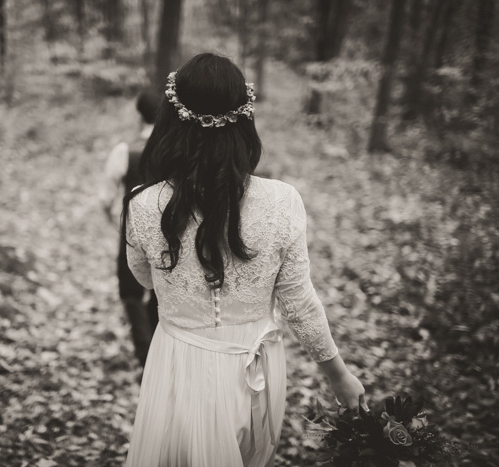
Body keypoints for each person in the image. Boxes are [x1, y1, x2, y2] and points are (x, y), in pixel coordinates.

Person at [121, 53, 366, 467]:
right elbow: (298, 302)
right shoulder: (282, 201)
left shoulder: (143, 205)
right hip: (258, 367)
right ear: (244, 119)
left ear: (172, 120)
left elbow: (144, 280)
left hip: (179, 361)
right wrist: (338, 375)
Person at [101, 88, 160, 367]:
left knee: (130, 293)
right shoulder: (177, 152)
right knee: (160, 292)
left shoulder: (125, 151)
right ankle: (155, 350)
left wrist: (115, 222)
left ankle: (145, 353)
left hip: (132, 233)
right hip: (168, 233)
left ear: (139, 115)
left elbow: (106, 198)